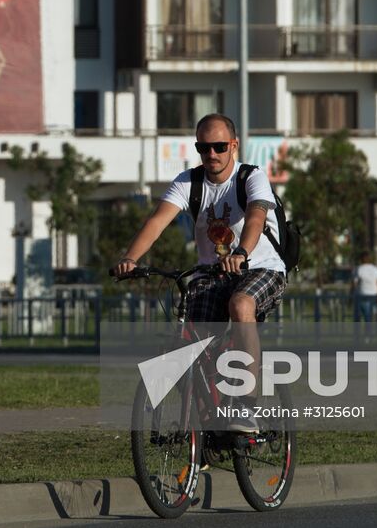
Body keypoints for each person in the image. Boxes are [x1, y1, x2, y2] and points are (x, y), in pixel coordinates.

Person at [113, 113, 287, 431]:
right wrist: (130, 258)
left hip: (260, 268)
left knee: (241, 305)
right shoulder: (189, 182)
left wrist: (242, 252)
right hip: (213, 274)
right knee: (185, 347)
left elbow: (255, 219)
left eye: (219, 147)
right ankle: (207, 430)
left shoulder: (251, 177)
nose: (212, 155)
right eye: (203, 147)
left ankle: (247, 406)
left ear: (233, 146)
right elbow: (156, 223)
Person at [355, 252, 377, 335]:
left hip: (363, 294)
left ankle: (364, 334)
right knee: (370, 315)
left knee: (363, 316)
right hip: (373, 293)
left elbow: (356, 283)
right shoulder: (374, 269)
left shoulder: (360, 269)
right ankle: (369, 333)